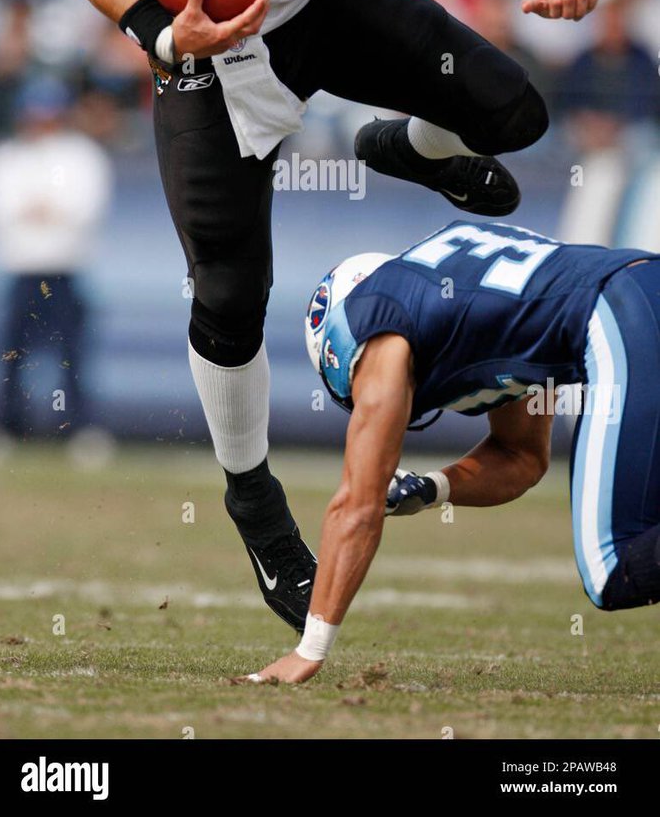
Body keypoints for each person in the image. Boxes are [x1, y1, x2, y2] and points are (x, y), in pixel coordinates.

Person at [52, 0, 598, 634]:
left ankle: (412, 147)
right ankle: (253, 499)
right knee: (228, 291)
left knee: (513, 113)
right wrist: (161, 34)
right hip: (215, 39)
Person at [246, 220, 660, 683]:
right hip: (641, 287)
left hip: (622, 316)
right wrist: (433, 488)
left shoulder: (378, 323)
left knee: (612, 567)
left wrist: (311, 648)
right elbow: (521, 456)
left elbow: (357, 506)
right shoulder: (454, 294)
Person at [0, 77, 112, 437]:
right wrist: (49, 210)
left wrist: (41, 209)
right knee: (11, 354)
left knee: (73, 354)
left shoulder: (82, 156)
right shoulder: (8, 157)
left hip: (65, 271)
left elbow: (84, 207)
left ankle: (79, 428)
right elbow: (1, 207)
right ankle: (6, 426)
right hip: (22, 271)